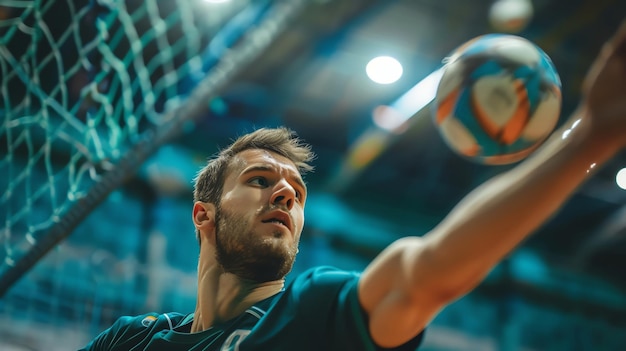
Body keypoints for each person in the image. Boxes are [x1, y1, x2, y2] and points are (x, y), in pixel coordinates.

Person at [80, 20, 626, 351]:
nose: (287, 194)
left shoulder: (313, 317)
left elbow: (425, 272)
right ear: (204, 214)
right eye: (260, 178)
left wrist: (590, 137)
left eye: (296, 190)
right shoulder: (134, 340)